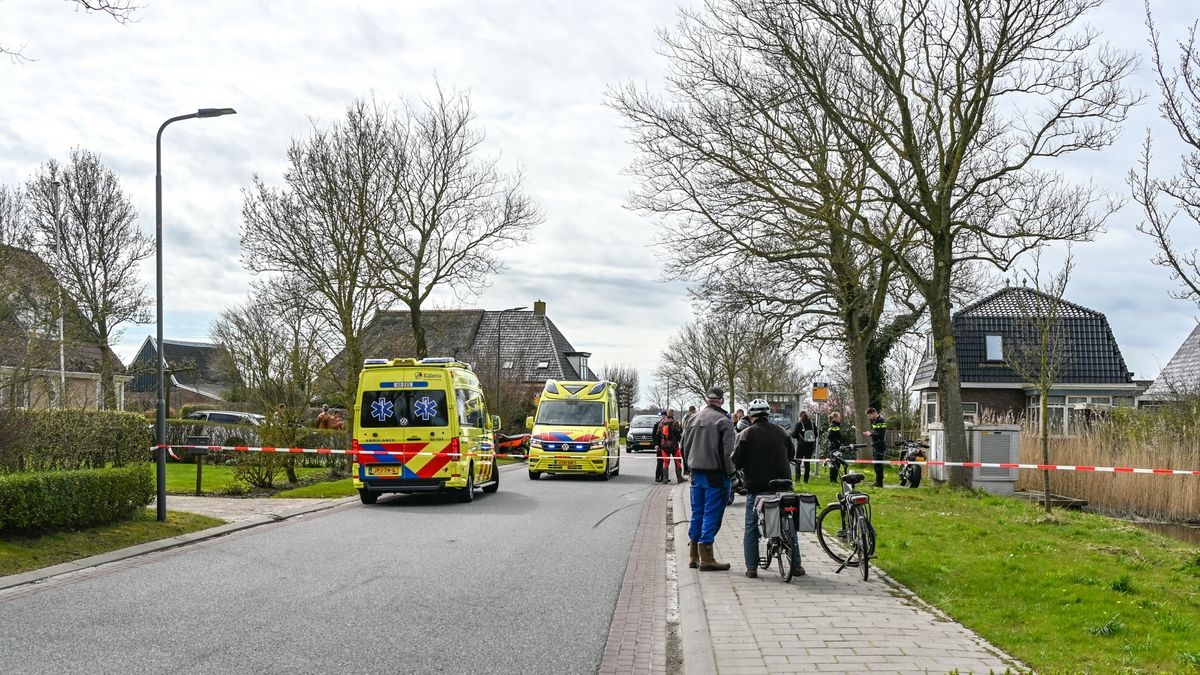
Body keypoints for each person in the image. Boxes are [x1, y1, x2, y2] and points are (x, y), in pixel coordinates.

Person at [732, 398, 803, 579]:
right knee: (789, 525)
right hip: (783, 485)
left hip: (757, 488)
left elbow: (737, 461)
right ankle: (796, 565)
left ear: (751, 416)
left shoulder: (746, 434)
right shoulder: (782, 432)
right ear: (768, 414)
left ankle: (751, 568)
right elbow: (790, 455)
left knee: (751, 527)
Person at [681, 387, 736, 571]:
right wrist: (732, 474)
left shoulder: (692, 418)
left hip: (696, 473)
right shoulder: (724, 421)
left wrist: (687, 467)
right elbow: (728, 453)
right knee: (712, 514)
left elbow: (683, 446)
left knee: (697, 513)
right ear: (721, 400)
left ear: (707, 399)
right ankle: (707, 557)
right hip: (716, 474)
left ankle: (693, 556)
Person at [655, 409, 684, 484]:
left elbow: (657, 434)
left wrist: (658, 444)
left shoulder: (661, 422)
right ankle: (679, 478)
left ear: (667, 414)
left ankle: (665, 479)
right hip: (674, 445)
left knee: (665, 462)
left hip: (664, 445)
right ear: (673, 414)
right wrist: (680, 441)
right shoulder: (675, 423)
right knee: (677, 461)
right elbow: (678, 434)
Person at [862, 407, 888, 488]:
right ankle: (877, 481)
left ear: (874, 413)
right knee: (876, 465)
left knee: (879, 465)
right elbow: (875, 432)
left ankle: (880, 483)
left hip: (879, 445)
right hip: (876, 444)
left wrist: (870, 434)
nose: (869, 418)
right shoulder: (875, 421)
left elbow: (880, 434)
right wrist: (870, 433)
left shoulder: (880, 421)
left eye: (870, 416)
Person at [790, 411, 817, 483]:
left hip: (801, 446)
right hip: (810, 446)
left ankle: (797, 479)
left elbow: (794, 435)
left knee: (798, 462)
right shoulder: (812, 424)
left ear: (800, 417)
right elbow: (816, 434)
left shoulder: (799, 424)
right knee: (807, 463)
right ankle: (806, 480)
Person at [824, 412, 845, 484]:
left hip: (836, 447)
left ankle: (834, 479)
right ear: (835, 418)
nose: (840, 418)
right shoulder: (833, 425)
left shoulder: (836, 425)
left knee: (837, 463)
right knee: (834, 463)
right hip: (834, 447)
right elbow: (830, 436)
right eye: (839, 417)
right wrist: (838, 442)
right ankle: (832, 479)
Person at [652, 411, 668, 483]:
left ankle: (664, 477)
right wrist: (656, 444)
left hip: (665, 445)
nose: (663, 417)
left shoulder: (667, 424)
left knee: (665, 461)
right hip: (659, 445)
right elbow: (654, 436)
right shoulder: (657, 424)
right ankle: (657, 476)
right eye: (662, 416)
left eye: (665, 416)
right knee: (660, 461)